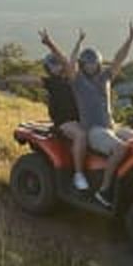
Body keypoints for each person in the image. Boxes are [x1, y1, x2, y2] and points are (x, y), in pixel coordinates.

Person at [40, 22, 133, 208]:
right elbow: (64, 61)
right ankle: (104, 191)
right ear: (82, 65)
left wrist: (130, 38)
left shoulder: (106, 77)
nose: (92, 66)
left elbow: (119, 59)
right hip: (93, 130)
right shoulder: (77, 81)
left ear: (99, 63)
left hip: (111, 126)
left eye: (94, 62)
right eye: (88, 63)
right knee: (120, 148)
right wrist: (49, 43)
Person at [40, 29, 90, 191]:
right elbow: (29, 80)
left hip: (80, 119)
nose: (58, 67)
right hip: (64, 121)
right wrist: (8, 79)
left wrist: (79, 41)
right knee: (81, 135)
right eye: (53, 65)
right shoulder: (50, 82)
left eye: (59, 64)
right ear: (48, 68)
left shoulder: (70, 78)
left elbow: (72, 59)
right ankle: (78, 175)